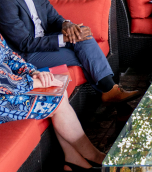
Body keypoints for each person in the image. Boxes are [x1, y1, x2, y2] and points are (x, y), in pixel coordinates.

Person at [0, 0, 140, 103]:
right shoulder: (5, 1)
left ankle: (111, 92)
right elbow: (24, 43)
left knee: (83, 35)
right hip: (27, 55)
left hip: (45, 41)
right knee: (85, 57)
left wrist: (68, 25)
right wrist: (63, 38)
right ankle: (110, 92)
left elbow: (53, 17)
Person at [0, 33, 105, 171]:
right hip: (4, 95)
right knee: (57, 100)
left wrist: (33, 72)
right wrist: (33, 82)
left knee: (57, 90)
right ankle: (93, 156)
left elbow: (8, 55)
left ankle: (73, 160)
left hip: (12, 87)